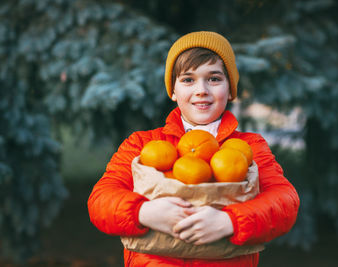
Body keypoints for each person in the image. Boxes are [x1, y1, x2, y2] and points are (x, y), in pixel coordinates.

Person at [87, 31, 300, 267]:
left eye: (214, 78)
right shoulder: (142, 144)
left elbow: (284, 202)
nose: (201, 90)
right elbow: (100, 200)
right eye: (188, 79)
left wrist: (230, 222)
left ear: (230, 90)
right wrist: (144, 213)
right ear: (173, 91)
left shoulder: (250, 146)